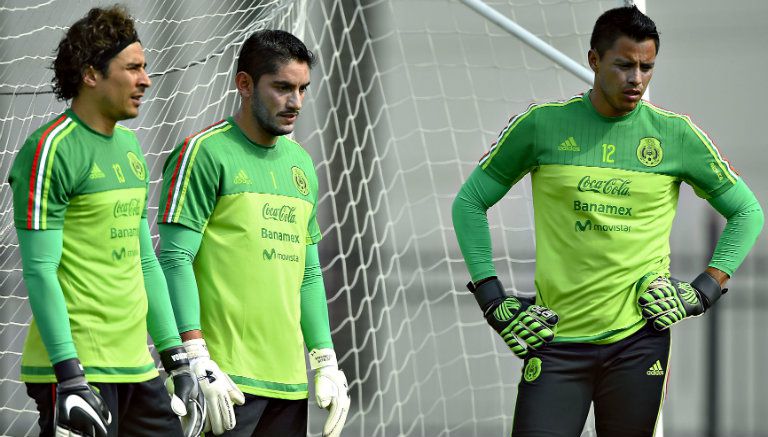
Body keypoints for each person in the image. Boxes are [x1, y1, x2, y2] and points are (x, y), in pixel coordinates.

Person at [452, 6, 763, 437]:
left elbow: (747, 212)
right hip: (555, 340)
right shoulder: (542, 125)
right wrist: (491, 297)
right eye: (624, 65)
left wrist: (704, 289)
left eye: (647, 66)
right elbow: (469, 202)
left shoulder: (675, 135)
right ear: (594, 61)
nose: (637, 78)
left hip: (639, 342)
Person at [8, 5, 203, 437]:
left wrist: (175, 357)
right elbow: (40, 270)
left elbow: (145, 261)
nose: (146, 80)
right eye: (133, 68)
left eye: (145, 67)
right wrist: (70, 375)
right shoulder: (49, 150)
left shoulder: (132, 149)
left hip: (138, 369)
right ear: (91, 74)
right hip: (76, 373)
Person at [157, 29, 350, 437]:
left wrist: (325, 361)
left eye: (302, 89)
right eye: (282, 88)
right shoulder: (203, 152)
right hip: (223, 384)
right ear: (244, 84)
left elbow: (309, 274)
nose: (295, 102)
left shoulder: (301, 164)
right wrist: (194, 357)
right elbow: (174, 259)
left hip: (289, 384)